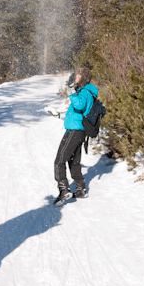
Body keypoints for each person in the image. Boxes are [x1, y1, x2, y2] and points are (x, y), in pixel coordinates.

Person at [53, 67, 97, 205]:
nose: (74, 79)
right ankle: (81, 190)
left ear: (83, 79)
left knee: (59, 160)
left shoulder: (84, 92)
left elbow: (78, 105)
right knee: (74, 162)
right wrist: (59, 115)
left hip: (75, 131)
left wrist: (70, 90)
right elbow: (77, 114)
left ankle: (64, 190)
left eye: (77, 77)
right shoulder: (84, 92)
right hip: (78, 130)